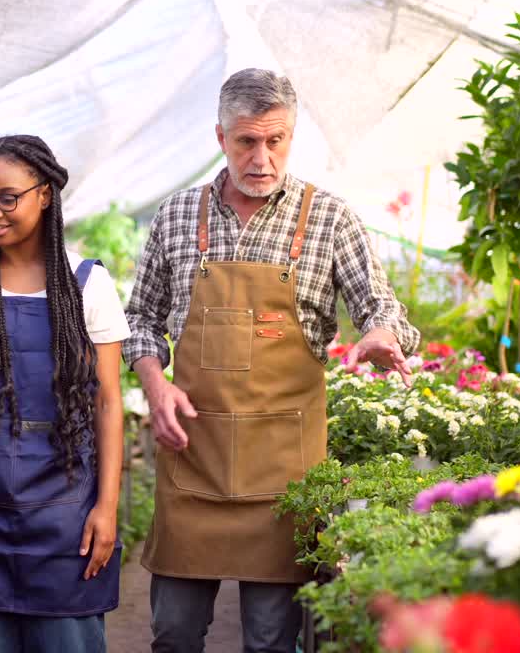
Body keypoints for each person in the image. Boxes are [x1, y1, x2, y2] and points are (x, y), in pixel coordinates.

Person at [124, 69, 421, 653]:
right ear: (220, 137)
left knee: (270, 640)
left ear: (291, 136)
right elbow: (139, 320)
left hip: (285, 475)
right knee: (175, 633)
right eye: (246, 141)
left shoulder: (329, 218)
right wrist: (156, 386)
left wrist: (383, 333)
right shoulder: (177, 216)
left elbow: (383, 308)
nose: (262, 158)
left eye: (275, 140)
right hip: (194, 459)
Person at [0, 135, 129, 653]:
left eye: (7, 198)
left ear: (45, 195)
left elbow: (107, 403)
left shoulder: (87, 284)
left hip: (66, 518)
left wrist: (107, 508)